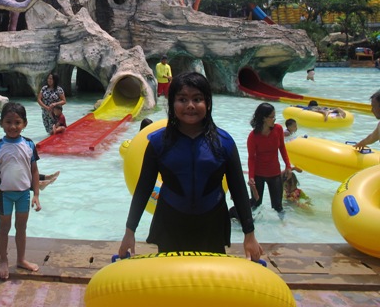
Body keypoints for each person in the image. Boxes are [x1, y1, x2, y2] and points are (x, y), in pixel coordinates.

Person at [118, 72, 262, 261]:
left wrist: (249, 234)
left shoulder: (224, 142)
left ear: (208, 103)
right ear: (172, 103)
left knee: (210, 277)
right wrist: (130, 231)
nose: (190, 105)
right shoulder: (158, 143)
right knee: (171, 276)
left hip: (212, 224)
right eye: (182, 99)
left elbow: (238, 189)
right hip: (170, 223)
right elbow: (144, 188)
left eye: (197, 99)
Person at [0, 102, 42, 280]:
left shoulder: (29, 144)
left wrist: (36, 194)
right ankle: (3, 260)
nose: (13, 126)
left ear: (24, 123)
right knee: (4, 227)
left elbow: (34, 170)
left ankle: (21, 259)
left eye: (17, 122)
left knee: (21, 227)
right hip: (5, 194)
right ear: (1, 123)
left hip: (24, 194)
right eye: (8, 122)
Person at [247, 103, 294, 213]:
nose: (274, 119)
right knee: (256, 206)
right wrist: (251, 177)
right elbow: (251, 158)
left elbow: (282, 147)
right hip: (258, 175)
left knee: (278, 207)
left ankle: (282, 224)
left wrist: (288, 166)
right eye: (272, 117)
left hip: (274, 173)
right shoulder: (253, 136)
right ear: (264, 118)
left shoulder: (278, 129)